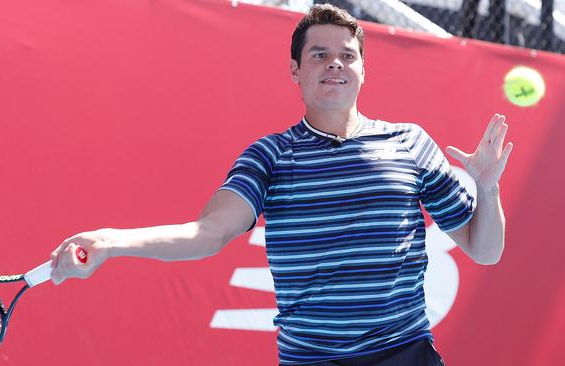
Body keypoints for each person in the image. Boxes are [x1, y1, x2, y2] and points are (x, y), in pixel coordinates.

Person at [50, 4, 513, 365]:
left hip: (404, 354)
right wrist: (111, 242)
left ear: (363, 70)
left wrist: (487, 189)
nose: (335, 63)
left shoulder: (410, 142)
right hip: (310, 359)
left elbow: (485, 250)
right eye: (319, 54)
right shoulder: (269, 156)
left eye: (346, 55)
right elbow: (207, 233)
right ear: (296, 71)